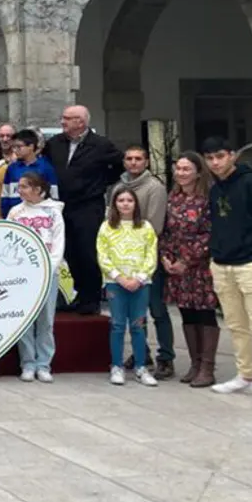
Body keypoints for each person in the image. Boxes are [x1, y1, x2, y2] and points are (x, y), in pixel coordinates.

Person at [203, 137, 252, 406]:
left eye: (220, 156)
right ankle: (246, 375)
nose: (216, 162)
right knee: (236, 324)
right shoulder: (215, 190)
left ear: (233, 156)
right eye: (210, 158)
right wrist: (215, 256)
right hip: (223, 264)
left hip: (250, 265)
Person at [43, 106, 123, 315]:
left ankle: (92, 297)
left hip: (88, 205)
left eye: (67, 119)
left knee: (87, 251)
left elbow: (119, 164)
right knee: (70, 251)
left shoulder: (100, 144)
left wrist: (102, 182)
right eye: (63, 118)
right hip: (62, 205)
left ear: (81, 122)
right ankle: (80, 294)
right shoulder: (55, 143)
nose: (63, 122)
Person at [106, 146, 172, 378]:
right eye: (129, 158)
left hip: (146, 260)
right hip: (121, 265)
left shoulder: (154, 187)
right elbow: (110, 221)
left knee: (157, 311)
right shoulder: (118, 186)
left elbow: (154, 225)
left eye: (138, 159)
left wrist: (136, 252)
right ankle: (140, 352)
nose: (133, 162)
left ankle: (166, 357)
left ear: (146, 162)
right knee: (134, 316)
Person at [161, 152, 219, 387]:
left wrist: (187, 259)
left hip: (200, 266)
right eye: (178, 169)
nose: (181, 173)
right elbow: (166, 230)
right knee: (187, 313)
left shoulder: (208, 198)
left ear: (198, 172)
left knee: (205, 313)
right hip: (176, 268)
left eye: (186, 169)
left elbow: (210, 233)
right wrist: (166, 257)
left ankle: (207, 367)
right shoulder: (173, 198)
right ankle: (195, 363)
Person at [98, 187, 160, 387]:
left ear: (136, 204)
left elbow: (151, 255)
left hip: (140, 284)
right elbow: (103, 255)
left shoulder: (145, 227)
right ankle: (116, 366)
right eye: (121, 200)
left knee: (138, 325)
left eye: (129, 200)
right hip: (115, 284)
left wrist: (140, 278)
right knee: (117, 325)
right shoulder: (107, 227)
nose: (125, 204)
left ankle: (141, 366)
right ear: (114, 203)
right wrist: (119, 277)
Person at [8, 172, 65, 383]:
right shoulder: (15, 212)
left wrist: (47, 269)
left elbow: (58, 244)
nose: (20, 190)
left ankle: (43, 364)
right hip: (22, 276)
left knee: (45, 321)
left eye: (24, 186)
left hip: (48, 275)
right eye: (20, 186)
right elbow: (8, 242)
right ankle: (28, 363)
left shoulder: (54, 212)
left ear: (38, 189)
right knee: (25, 320)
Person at [1, 129, 59, 218]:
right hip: (15, 214)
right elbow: (5, 194)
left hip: (39, 216)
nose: (15, 150)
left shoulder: (46, 168)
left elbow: (53, 196)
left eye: (19, 147)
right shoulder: (12, 168)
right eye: (14, 147)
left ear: (31, 146)